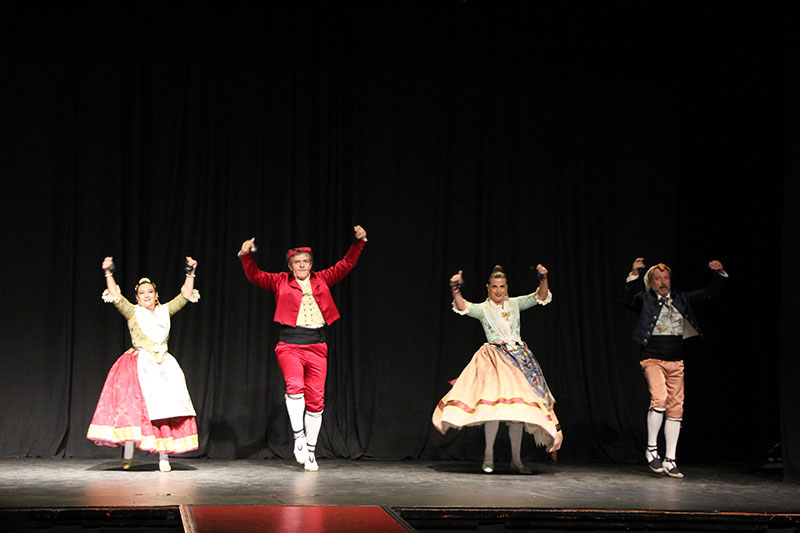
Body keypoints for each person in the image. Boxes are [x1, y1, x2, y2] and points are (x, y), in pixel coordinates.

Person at [238, 226, 367, 472]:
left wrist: (358, 242)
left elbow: (346, 264)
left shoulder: (323, 278)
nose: (301, 265)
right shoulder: (280, 281)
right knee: (294, 387)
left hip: (317, 344)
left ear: (311, 264)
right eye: (297, 262)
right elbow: (255, 275)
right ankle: (298, 437)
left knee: (316, 400)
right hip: (290, 344)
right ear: (290, 266)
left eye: (305, 261)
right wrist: (246, 255)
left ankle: (310, 450)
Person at [432, 265, 563, 474]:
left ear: (507, 287)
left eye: (502, 286)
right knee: (492, 409)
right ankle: (488, 457)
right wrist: (455, 289)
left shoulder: (515, 304)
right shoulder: (484, 309)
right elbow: (463, 306)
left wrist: (543, 278)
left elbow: (540, 296)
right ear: (488, 288)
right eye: (494, 287)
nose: (499, 291)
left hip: (518, 361)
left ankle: (516, 461)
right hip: (495, 361)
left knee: (518, 412)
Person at [87, 256, 200, 472]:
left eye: (150, 292)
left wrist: (190, 272)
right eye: (142, 293)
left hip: (163, 366)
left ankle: (164, 457)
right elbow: (115, 295)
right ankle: (128, 452)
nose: (146, 295)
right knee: (134, 409)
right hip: (139, 366)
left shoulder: (165, 311)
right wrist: (108, 273)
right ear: (137, 298)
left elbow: (185, 295)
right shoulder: (133, 312)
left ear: (156, 295)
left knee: (164, 411)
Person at [623, 258, 728, 478]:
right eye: (658, 279)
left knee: (676, 407)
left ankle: (670, 458)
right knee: (659, 399)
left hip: (676, 360)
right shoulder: (644, 299)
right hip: (653, 358)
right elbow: (628, 301)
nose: (663, 282)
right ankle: (652, 449)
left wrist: (718, 275)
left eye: (666, 278)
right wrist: (633, 276)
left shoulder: (681, 298)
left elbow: (708, 294)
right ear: (651, 282)